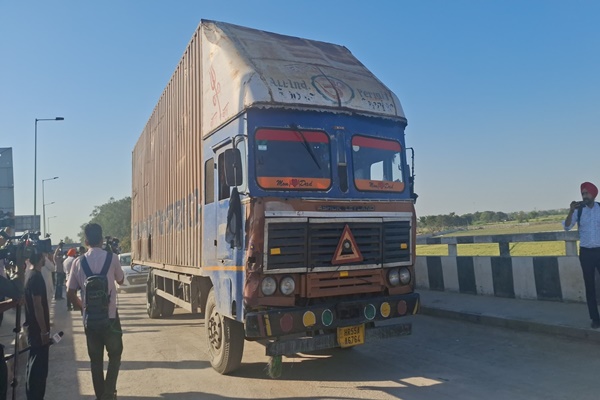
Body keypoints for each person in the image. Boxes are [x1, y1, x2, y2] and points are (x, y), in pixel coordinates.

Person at [67, 223, 124, 400]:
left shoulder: (78, 262)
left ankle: (101, 396)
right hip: (111, 318)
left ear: (85, 241)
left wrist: (82, 307)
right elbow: (121, 281)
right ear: (101, 239)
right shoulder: (112, 258)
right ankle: (109, 392)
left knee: (95, 360)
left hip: (90, 320)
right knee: (115, 355)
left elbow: (70, 292)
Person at [564, 181, 600, 328]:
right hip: (586, 253)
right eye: (582, 193)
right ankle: (595, 318)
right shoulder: (578, 211)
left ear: (593, 194)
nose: (584, 196)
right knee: (590, 285)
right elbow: (566, 227)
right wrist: (571, 211)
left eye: (587, 193)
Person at [24, 250, 50, 400]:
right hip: (37, 330)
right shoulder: (36, 278)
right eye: (44, 256)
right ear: (40, 258)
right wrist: (44, 331)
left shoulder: (30, 274)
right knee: (38, 369)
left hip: (33, 328)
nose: (46, 258)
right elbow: (37, 305)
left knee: (33, 364)